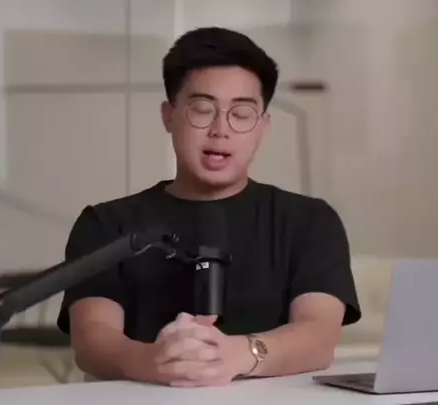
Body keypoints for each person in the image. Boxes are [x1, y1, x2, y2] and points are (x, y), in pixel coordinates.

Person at [57, 27, 361, 388]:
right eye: (202, 109)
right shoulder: (106, 223)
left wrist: (239, 354)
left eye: (241, 114)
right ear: (168, 116)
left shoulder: (309, 221)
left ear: (263, 127)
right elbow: (92, 338)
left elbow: (319, 335)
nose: (220, 129)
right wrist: (154, 361)